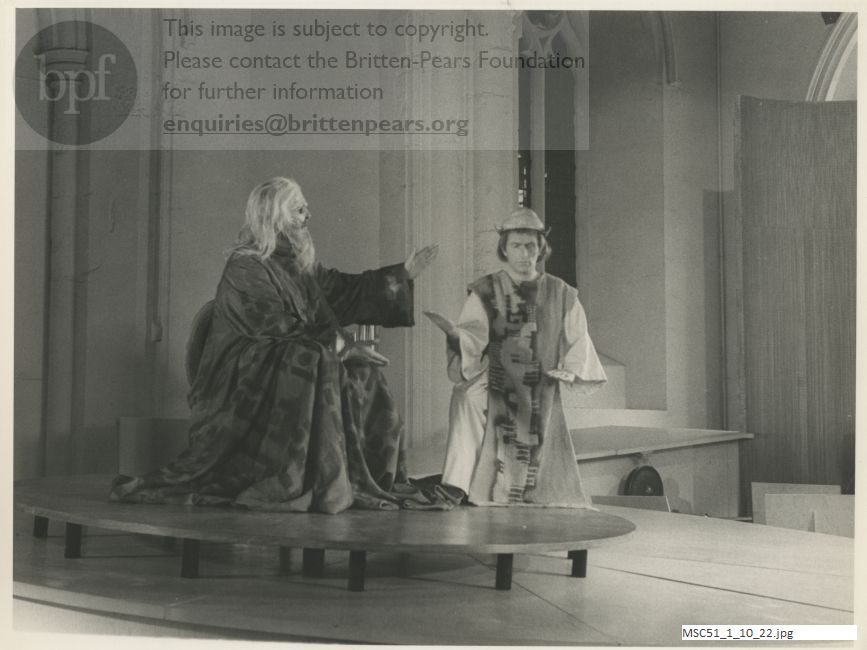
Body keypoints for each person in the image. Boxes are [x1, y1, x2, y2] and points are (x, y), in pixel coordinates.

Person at [110, 177, 439, 513]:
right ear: (275, 217)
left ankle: (354, 478)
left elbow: (342, 291)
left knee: (362, 372)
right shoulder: (245, 265)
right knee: (313, 357)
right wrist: (340, 347)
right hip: (244, 372)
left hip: (295, 356)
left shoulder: (300, 265)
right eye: (299, 209)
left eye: (306, 208)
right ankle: (304, 479)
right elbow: (273, 326)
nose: (308, 216)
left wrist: (403, 275)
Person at [436, 208, 606, 507]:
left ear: (541, 247)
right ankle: (460, 487)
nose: (524, 253)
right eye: (516, 246)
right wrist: (456, 336)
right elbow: (472, 336)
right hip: (499, 379)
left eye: (531, 246)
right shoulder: (486, 290)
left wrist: (571, 368)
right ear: (504, 248)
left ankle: (524, 493)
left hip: (539, 384)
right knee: (466, 399)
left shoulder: (561, 292)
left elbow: (578, 338)